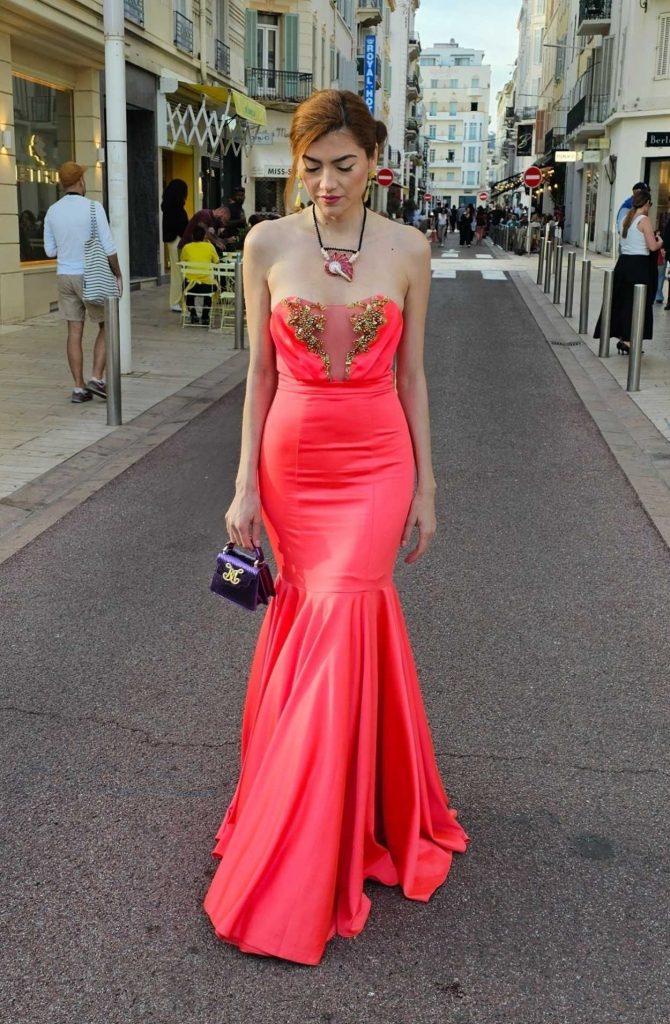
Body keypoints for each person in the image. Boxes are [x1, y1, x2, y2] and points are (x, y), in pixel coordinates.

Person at [203, 88, 468, 966]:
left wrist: (427, 485)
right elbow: (260, 377)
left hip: (377, 463)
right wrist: (243, 484)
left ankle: (317, 827)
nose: (324, 183)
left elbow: (415, 377)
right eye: (310, 166)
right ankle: (319, 807)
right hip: (293, 465)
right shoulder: (266, 244)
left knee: (346, 611)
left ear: (373, 162)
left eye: (342, 166)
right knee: (315, 621)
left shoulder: (409, 248)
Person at [43, 161, 122, 403]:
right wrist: (117, 274)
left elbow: (49, 251)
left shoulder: (52, 211)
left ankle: (78, 388)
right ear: (80, 181)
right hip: (91, 275)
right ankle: (97, 378)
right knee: (107, 325)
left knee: (74, 331)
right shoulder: (93, 207)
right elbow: (109, 247)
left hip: (64, 276)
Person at [594, 189, 662, 355]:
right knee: (638, 303)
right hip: (638, 265)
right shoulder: (644, 220)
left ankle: (624, 338)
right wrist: (660, 241)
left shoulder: (626, 219)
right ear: (646, 203)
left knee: (623, 302)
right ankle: (628, 341)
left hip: (623, 264)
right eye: (650, 204)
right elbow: (652, 246)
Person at [179, 224, 219, 326]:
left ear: (192, 236)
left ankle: (193, 314)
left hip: (191, 286)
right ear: (204, 236)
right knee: (211, 289)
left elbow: (182, 261)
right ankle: (205, 315)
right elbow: (217, 261)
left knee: (186, 289)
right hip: (207, 286)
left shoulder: (187, 247)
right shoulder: (209, 246)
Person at [161, 178, 189, 312]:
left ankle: (177, 300)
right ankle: (176, 301)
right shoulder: (176, 209)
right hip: (178, 240)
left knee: (176, 272)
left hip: (172, 240)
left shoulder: (167, 207)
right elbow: (181, 226)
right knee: (178, 273)